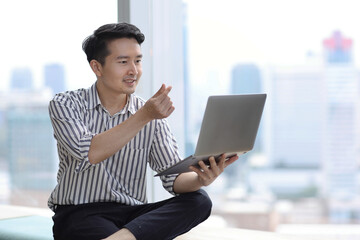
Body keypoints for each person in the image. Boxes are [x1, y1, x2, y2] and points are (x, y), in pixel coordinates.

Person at [48, 22, 239, 240]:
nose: (134, 70)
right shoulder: (66, 104)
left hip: (132, 216)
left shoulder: (149, 113)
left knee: (200, 201)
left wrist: (201, 179)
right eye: (123, 62)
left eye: (138, 61)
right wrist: (145, 115)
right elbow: (89, 152)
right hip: (80, 214)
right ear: (97, 67)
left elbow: (173, 179)